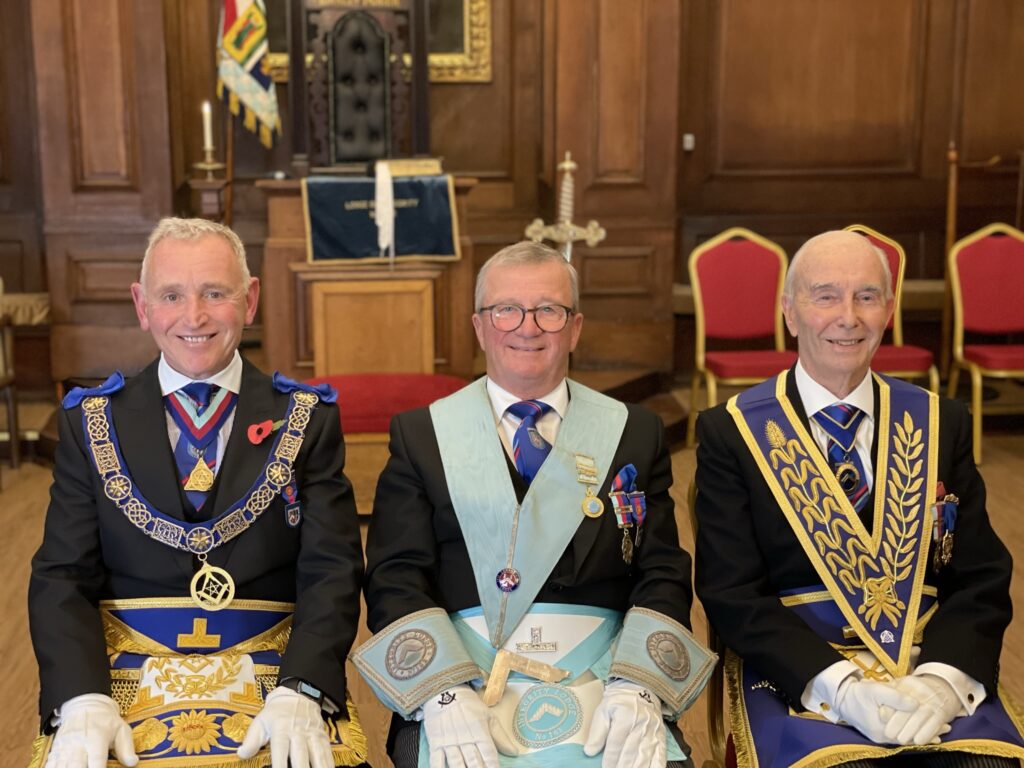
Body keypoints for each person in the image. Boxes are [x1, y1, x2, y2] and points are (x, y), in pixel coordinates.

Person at [352, 241, 715, 768]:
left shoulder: (633, 432)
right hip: (466, 677)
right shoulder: (423, 435)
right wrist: (442, 693)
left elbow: (662, 571)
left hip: (603, 675)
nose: (528, 327)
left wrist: (637, 686)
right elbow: (395, 577)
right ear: (480, 327)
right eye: (507, 310)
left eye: (549, 310)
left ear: (575, 327)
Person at [28, 218, 368, 768]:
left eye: (215, 293)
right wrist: (82, 696)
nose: (194, 317)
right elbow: (62, 575)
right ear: (142, 306)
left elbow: (332, 569)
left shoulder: (305, 418)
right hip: (121, 670)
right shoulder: (91, 421)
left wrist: (302, 686)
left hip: (275, 671)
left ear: (250, 299)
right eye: (171, 296)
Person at [694, 230, 1024, 767]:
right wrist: (841, 688)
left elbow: (981, 577)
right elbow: (731, 594)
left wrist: (942, 682)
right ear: (789, 312)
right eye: (825, 296)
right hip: (802, 677)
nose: (847, 317)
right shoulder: (731, 433)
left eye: (866, 297)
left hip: (926, 667)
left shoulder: (941, 422)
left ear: (888, 311)